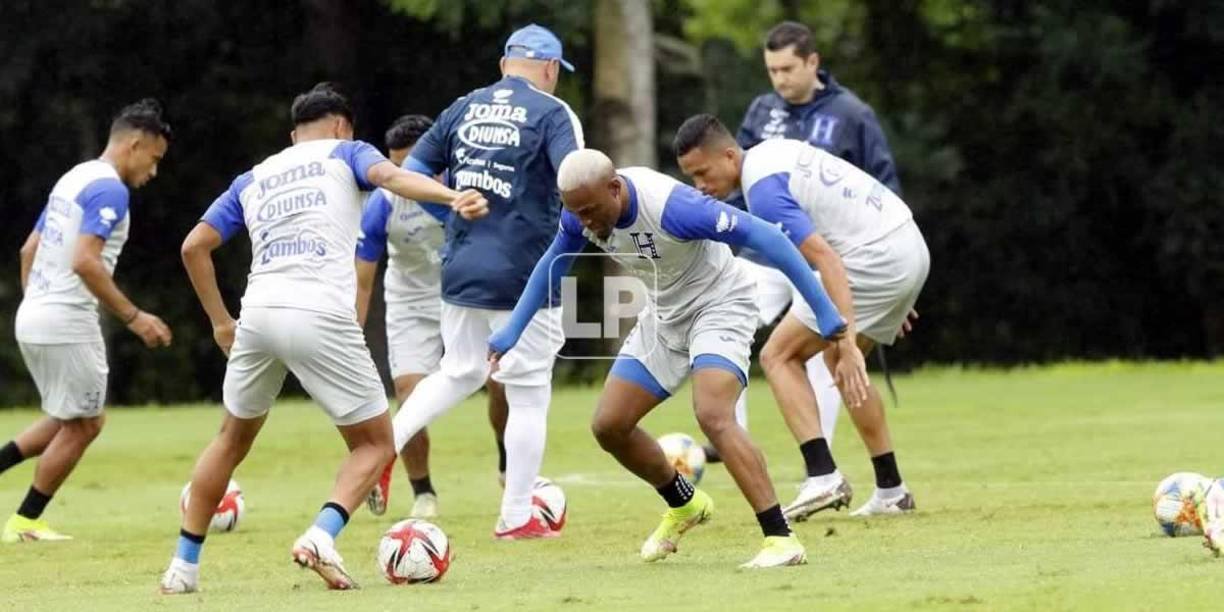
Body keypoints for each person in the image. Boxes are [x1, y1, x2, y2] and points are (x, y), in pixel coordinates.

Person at [159, 83, 487, 594]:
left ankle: (183, 569)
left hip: (257, 314)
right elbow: (392, 177)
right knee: (376, 443)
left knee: (229, 440)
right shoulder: (347, 152)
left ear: (294, 134)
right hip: (318, 312)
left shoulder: (254, 176)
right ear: (341, 126)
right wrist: (451, 196)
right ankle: (321, 535)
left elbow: (193, 246)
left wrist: (221, 322)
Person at [489, 148, 852, 567]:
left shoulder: (674, 207)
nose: (584, 222)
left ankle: (780, 538)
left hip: (720, 304)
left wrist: (823, 309)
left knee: (713, 413)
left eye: (589, 211)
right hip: (664, 316)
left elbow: (769, 237)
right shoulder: (580, 212)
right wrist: (512, 331)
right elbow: (553, 263)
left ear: (614, 188)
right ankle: (685, 504)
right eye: (576, 213)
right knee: (609, 425)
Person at [377, 24, 584, 540]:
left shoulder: (462, 107)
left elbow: (411, 177)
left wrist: (450, 214)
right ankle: (515, 516)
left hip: (461, 265)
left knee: (459, 370)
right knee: (528, 392)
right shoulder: (554, 113)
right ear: (551, 69)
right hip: (525, 270)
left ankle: (384, 446)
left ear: (503, 65)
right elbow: (577, 183)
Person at [674, 114, 928, 519]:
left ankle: (823, 477)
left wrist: (849, 340)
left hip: (875, 260)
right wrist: (897, 289)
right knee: (835, 360)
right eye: (691, 177)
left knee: (779, 356)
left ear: (729, 155)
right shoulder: (774, 153)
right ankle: (891, 490)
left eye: (703, 172)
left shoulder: (763, 190)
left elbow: (826, 259)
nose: (700, 185)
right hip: (905, 246)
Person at [723, 20, 907, 460]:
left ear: (813, 62)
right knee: (725, 323)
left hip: (829, 259)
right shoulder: (761, 111)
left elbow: (885, 194)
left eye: (788, 69)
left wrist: (896, 280)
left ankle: (820, 465)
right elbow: (734, 181)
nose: (780, 80)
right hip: (766, 254)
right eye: (772, 70)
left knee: (828, 350)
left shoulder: (853, 115)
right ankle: (731, 440)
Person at [2, 99, 173, 543]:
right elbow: (84, 261)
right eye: (154, 159)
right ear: (134, 145)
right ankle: (25, 523)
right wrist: (135, 317)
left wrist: (38, 301)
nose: (154, 172)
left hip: (34, 314)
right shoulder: (111, 189)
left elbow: (28, 250)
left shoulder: (73, 178)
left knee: (66, 418)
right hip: (66, 321)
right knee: (86, 424)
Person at [356, 114, 511, 519]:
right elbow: (363, 280)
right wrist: (352, 335)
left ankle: (507, 461)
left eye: (413, 166)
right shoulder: (382, 204)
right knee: (408, 393)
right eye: (396, 169)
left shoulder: (468, 190)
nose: (403, 178)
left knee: (501, 382)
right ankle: (423, 492)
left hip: (469, 293)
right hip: (411, 302)